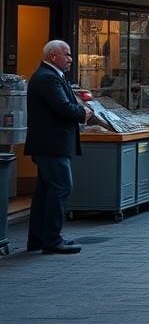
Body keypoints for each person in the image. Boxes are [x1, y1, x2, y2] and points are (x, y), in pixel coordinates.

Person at [25, 39, 92, 254]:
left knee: (45, 191)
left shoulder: (50, 76)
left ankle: (38, 238)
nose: (71, 59)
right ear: (53, 55)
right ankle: (52, 239)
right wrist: (84, 113)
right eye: (67, 54)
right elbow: (63, 107)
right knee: (62, 187)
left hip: (50, 145)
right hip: (52, 145)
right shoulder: (47, 78)